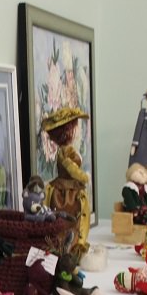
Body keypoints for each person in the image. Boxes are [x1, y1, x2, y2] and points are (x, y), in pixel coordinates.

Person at [41, 107, 91, 255]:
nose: (78, 132)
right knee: (70, 219)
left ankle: (71, 247)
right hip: (66, 192)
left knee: (74, 220)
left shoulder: (67, 149)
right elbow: (71, 168)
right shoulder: (65, 151)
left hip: (69, 188)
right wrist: (84, 177)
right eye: (75, 128)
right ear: (68, 132)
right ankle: (68, 248)